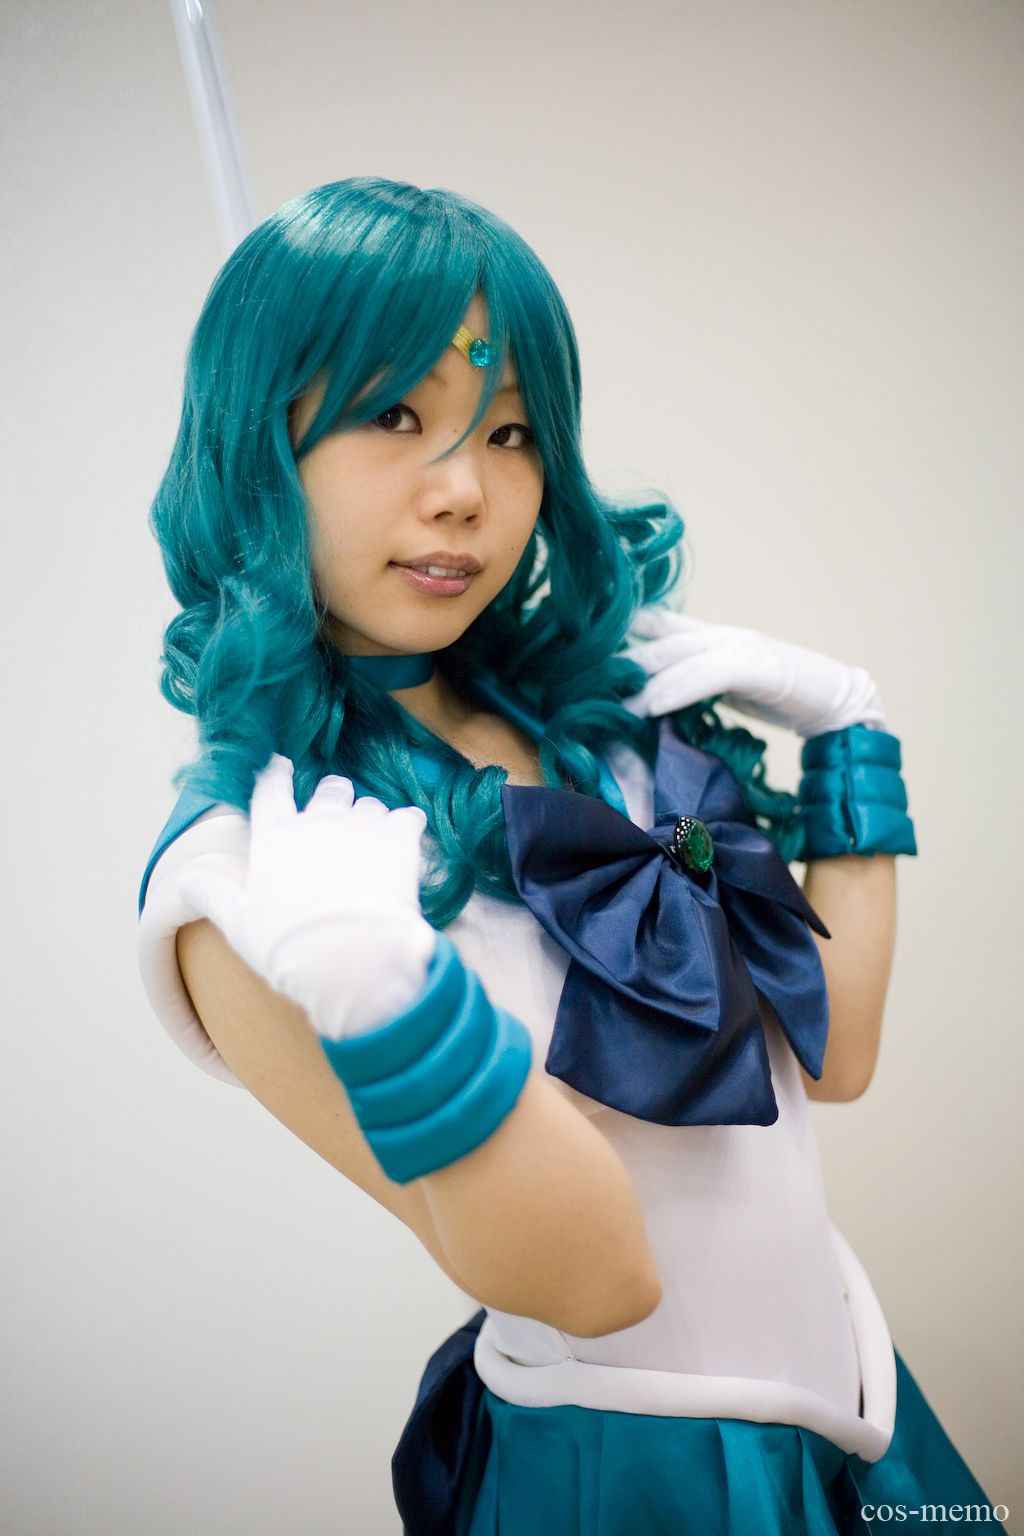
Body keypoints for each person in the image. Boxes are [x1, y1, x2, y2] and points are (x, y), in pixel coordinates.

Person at [136, 177, 1005, 1535]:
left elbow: (832, 1054)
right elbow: (596, 1280)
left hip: (862, 1416)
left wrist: (853, 735)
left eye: (512, 431)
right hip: (631, 1477)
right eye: (394, 415)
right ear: (259, 446)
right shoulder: (238, 885)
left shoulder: (605, 734)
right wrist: (394, 1002)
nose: (467, 492)